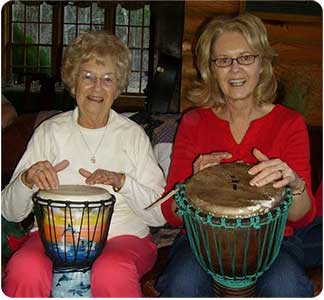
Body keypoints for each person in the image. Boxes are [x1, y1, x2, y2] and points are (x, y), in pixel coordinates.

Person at [155, 13, 317, 297]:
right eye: (223, 60)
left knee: (285, 287)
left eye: (246, 58)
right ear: (211, 69)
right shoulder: (194, 122)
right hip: (200, 242)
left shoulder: (289, 123)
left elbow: (302, 218)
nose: (235, 70)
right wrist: (191, 183)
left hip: (275, 244)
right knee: (182, 284)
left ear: (262, 63)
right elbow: (172, 215)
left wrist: (294, 183)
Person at [2, 31, 166, 297]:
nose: (97, 87)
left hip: (121, 237)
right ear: (73, 82)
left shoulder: (132, 135)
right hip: (51, 238)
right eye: (87, 76)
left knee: (111, 271)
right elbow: (9, 212)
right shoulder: (50, 132)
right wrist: (27, 180)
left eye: (107, 79)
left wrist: (122, 182)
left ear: (119, 86)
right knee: (25, 268)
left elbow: (158, 213)